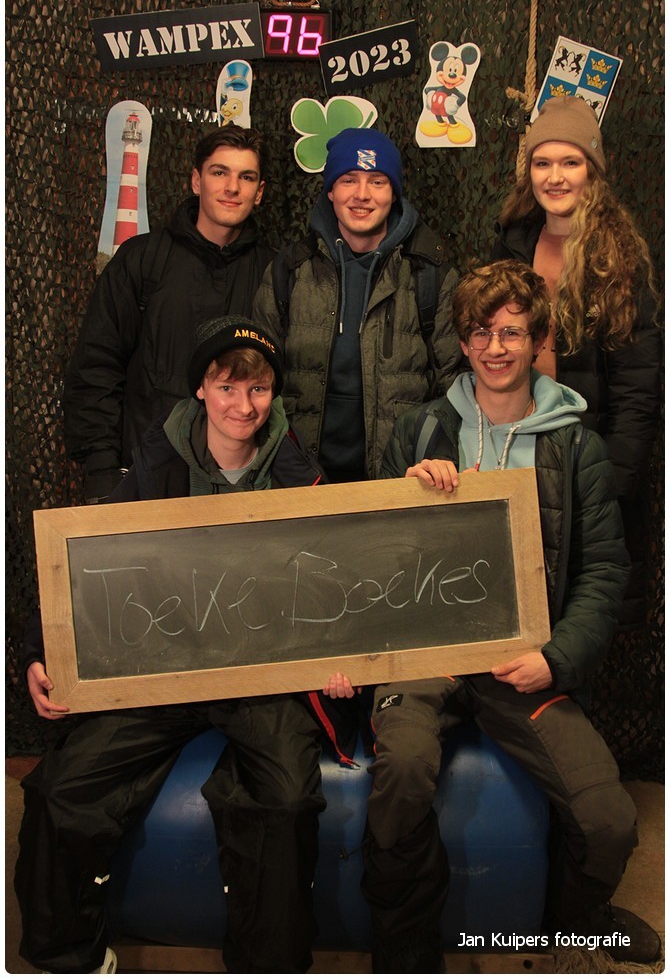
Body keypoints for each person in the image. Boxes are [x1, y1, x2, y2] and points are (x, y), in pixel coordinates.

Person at [324, 261, 661, 972]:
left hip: (522, 663)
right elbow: (368, 562)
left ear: (539, 339)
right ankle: (406, 947)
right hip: (427, 656)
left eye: (511, 332)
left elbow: (604, 571)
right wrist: (405, 498)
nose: (495, 347)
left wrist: (555, 660)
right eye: (480, 332)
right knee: (403, 770)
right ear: (463, 341)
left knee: (609, 819)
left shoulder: (576, 446)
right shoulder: (421, 430)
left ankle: (572, 928)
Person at [16, 317, 352, 975]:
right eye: (227, 388)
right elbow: (83, 559)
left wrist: (347, 662)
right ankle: (68, 958)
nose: (243, 406)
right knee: (63, 788)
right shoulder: (157, 463)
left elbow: (339, 585)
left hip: (260, 675)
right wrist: (40, 650)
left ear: (275, 394)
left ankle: (267, 966)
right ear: (201, 388)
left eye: (258, 390)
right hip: (165, 666)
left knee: (286, 798)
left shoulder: (300, 477)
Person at [491, 95, 661, 624]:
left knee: (582, 612)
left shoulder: (620, 258)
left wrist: (610, 484)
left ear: (593, 169)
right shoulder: (511, 243)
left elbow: (638, 389)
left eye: (571, 161)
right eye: (542, 162)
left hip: (589, 459)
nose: (555, 176)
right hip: (519, 452)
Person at [63, 125, 274, 504]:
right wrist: (101, 469)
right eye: (219, 172)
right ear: (196, 180)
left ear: (259, 193)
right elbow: (97, 366)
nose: (232, 188)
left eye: (246, 177)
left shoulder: (274, 272)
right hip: (145, 476)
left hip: (242, 485)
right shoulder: (142, 259)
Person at [253, 126, 463, 483]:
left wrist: (438, 458)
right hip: (299, 480)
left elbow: (454, 387)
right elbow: (256, 380)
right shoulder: (289, 271)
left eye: (377, 182)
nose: (362, 195)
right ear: (331, 191)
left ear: (393, 193)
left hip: (398, 478)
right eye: (349, 180)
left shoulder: (430, 275)